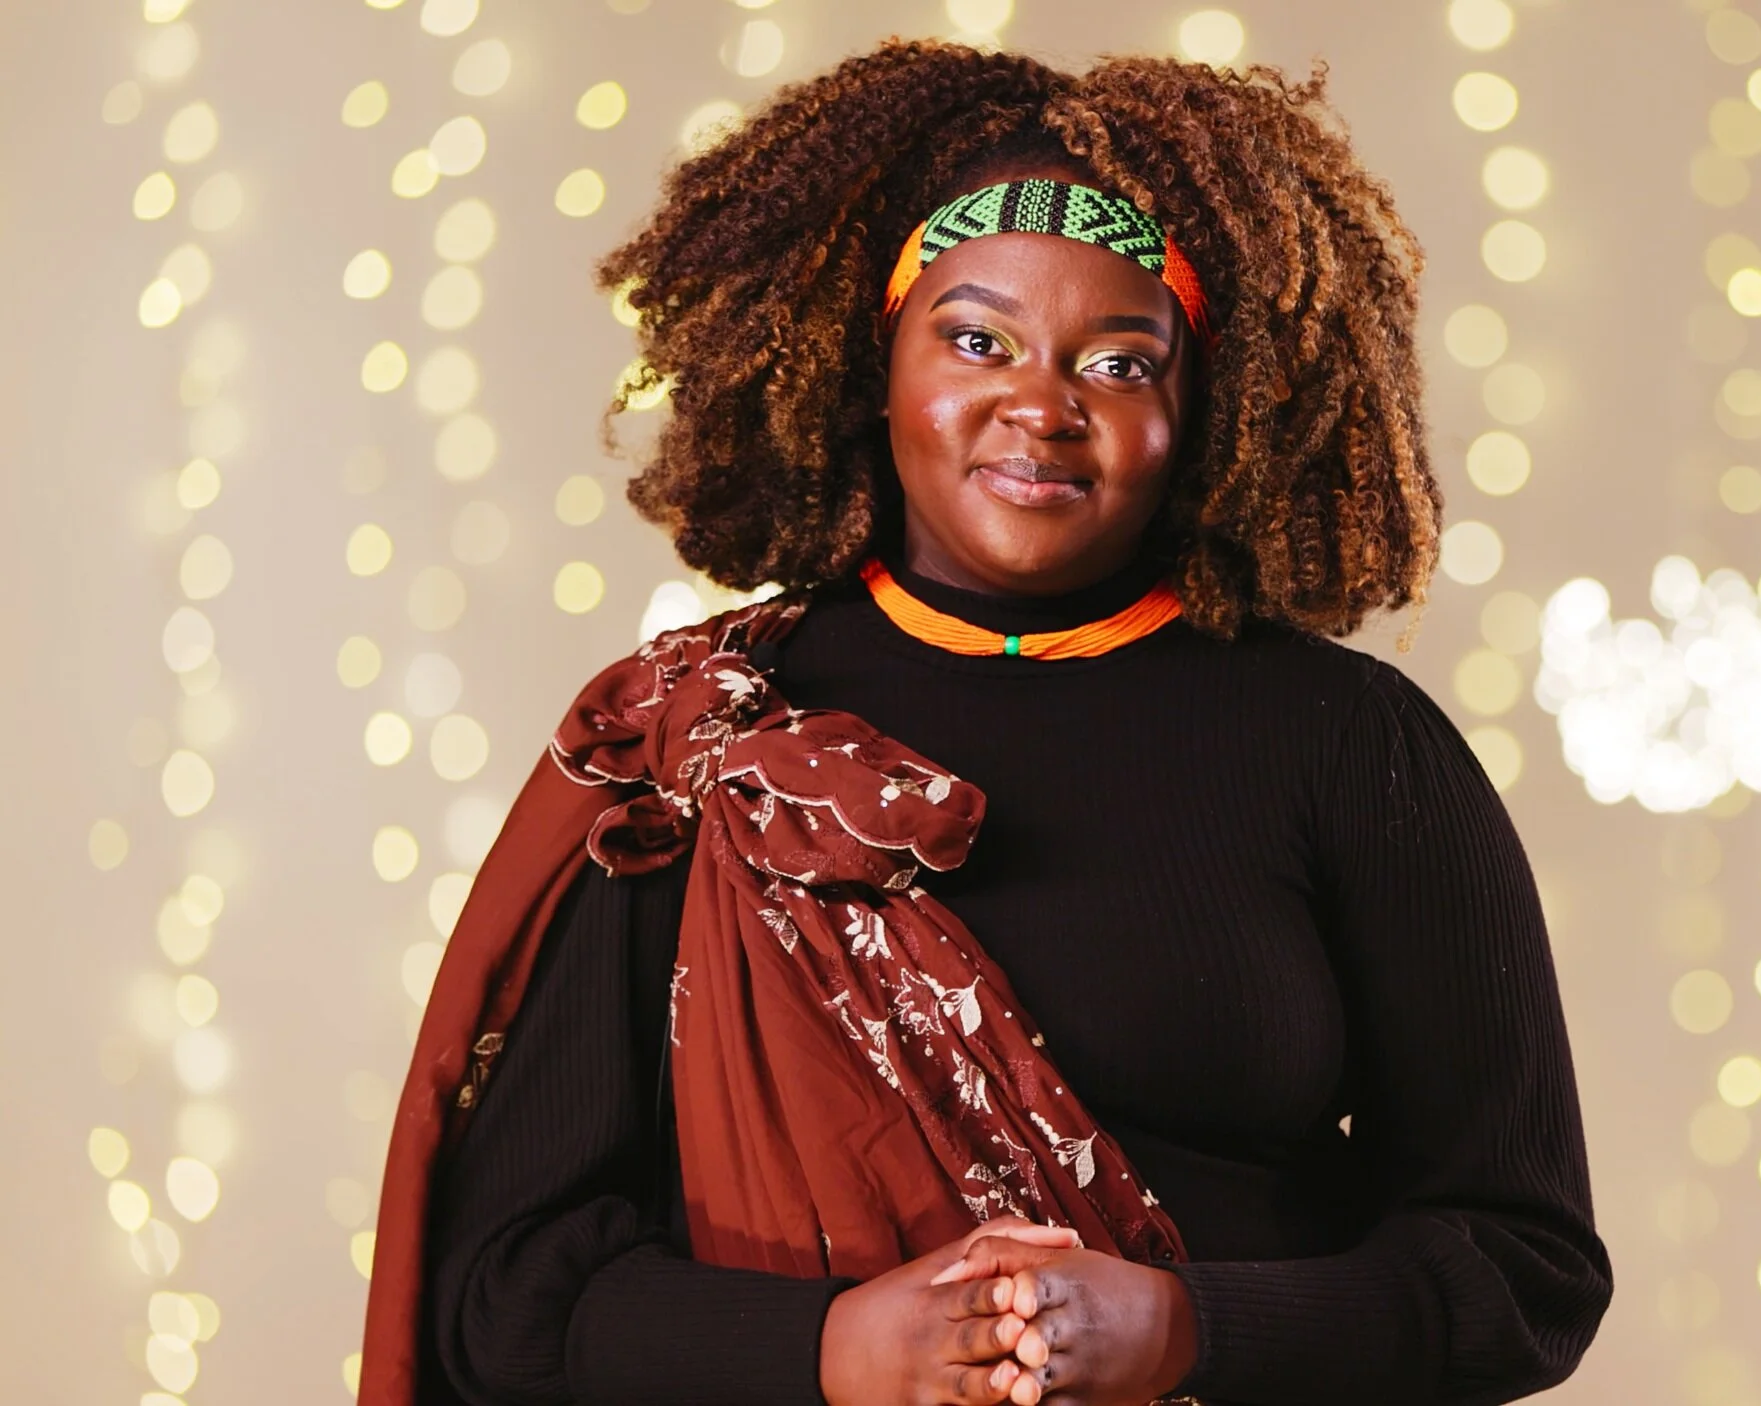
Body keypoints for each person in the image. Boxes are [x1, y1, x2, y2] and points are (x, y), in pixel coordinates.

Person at [359, 39, 1610, 1406]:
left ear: (1205, 408)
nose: (1042, 404)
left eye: (1120, 362)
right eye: (976, 340)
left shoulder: (1355, 745)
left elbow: (1522, 1266)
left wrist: (1181, 1327)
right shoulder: (700, 748)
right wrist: (837, 1350)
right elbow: (501, 1296)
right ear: (873, 361)